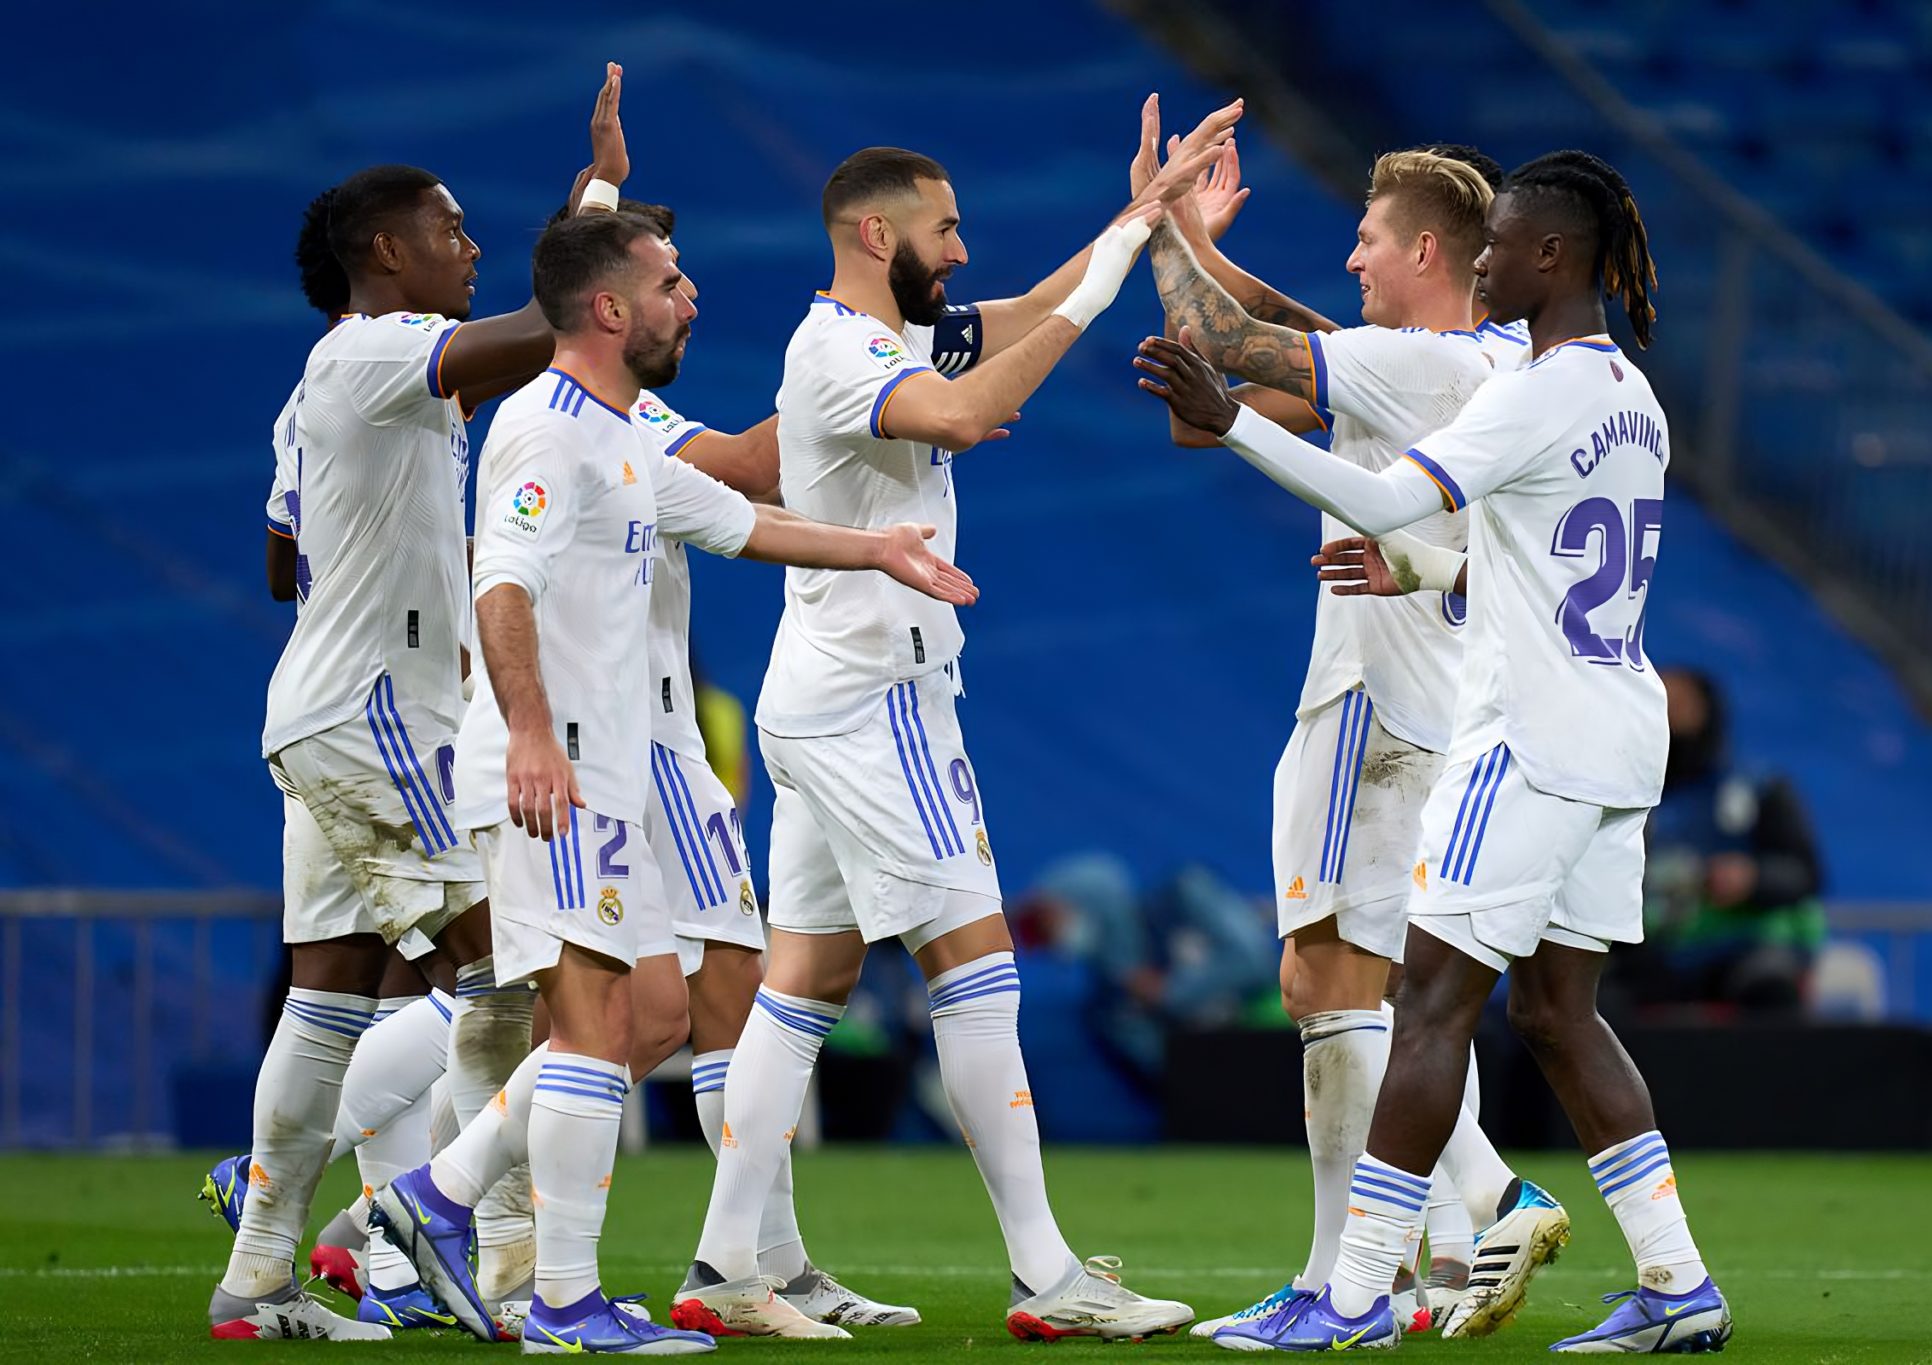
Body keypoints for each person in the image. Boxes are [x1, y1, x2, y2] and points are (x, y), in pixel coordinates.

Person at [1138, 149, 1734, 1354]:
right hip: (1615, 731)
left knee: (1421, 1005)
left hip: (1524, 737)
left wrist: (1229, 418)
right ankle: (1678, 1283)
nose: (1487, 263)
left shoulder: (1529, 390)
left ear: (1551, 256)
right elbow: (1533, 563)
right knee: (1556, 1014)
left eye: (1503, 246)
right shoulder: (1630, 396)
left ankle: (1354, 1295)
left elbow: (1379, 498)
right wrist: (1423, 569)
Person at [672, 110, 1243, 1342]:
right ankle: (1046, 1277)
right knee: (976, 973)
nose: (964, 250)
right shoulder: (842, 351)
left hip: (825, 695)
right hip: (874, 702)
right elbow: (964, 416)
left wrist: (1147, 225)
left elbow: (1028, 310)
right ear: (875, 234)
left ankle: (729, 1264)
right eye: (945, 229)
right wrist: (1121, 259)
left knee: (802, 985)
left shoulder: (895, 332)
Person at [372, 208, 977, 1353]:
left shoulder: (622, 439)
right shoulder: (544, 430)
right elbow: (500, 584)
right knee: (589, 1026)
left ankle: (433, 1201)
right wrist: (532, 734)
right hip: (554, 775)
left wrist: (880, 548)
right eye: (667, 284)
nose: (687, 299)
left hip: (607, 771)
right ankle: (554, 1294)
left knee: (652, 1014)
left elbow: (744, 519)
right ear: (610, 309)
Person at [209, 65, 630, 1342]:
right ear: (385, 252)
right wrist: (600, 224)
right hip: (376, 715)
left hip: (324, 708)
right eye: (451, 229)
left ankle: (258, 1279)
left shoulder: (331, 386)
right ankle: (467, 1246)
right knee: (517, 968)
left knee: (330, 997)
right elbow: (545, 331)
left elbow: (280, 559)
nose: (471, 245)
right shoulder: (374, 354)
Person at [1135, 114, 1556, 1339]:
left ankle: (1428, 1232)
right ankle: (1419, 1261)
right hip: (1441, 703)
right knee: (1380, 988)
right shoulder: (1479, 364)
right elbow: (1245, 367)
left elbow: (1224, 347)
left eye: (1368, 238)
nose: (1350, 256)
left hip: (1371, 701)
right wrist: (1205, 251)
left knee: (1328, 982)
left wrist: (1159, 223)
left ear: (1428, 249)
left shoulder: (1414, 365)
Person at [1638, 667, 1824, 1013]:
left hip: (1749, 945)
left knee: (1769, 988)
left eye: (1678, 702)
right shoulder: (1633, 797)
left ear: (1708, 711)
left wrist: (1752, 878)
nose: (1667, 711)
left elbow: (1805, 874)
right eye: (1657, 699)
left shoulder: (1759, 787)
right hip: (1664, 952)